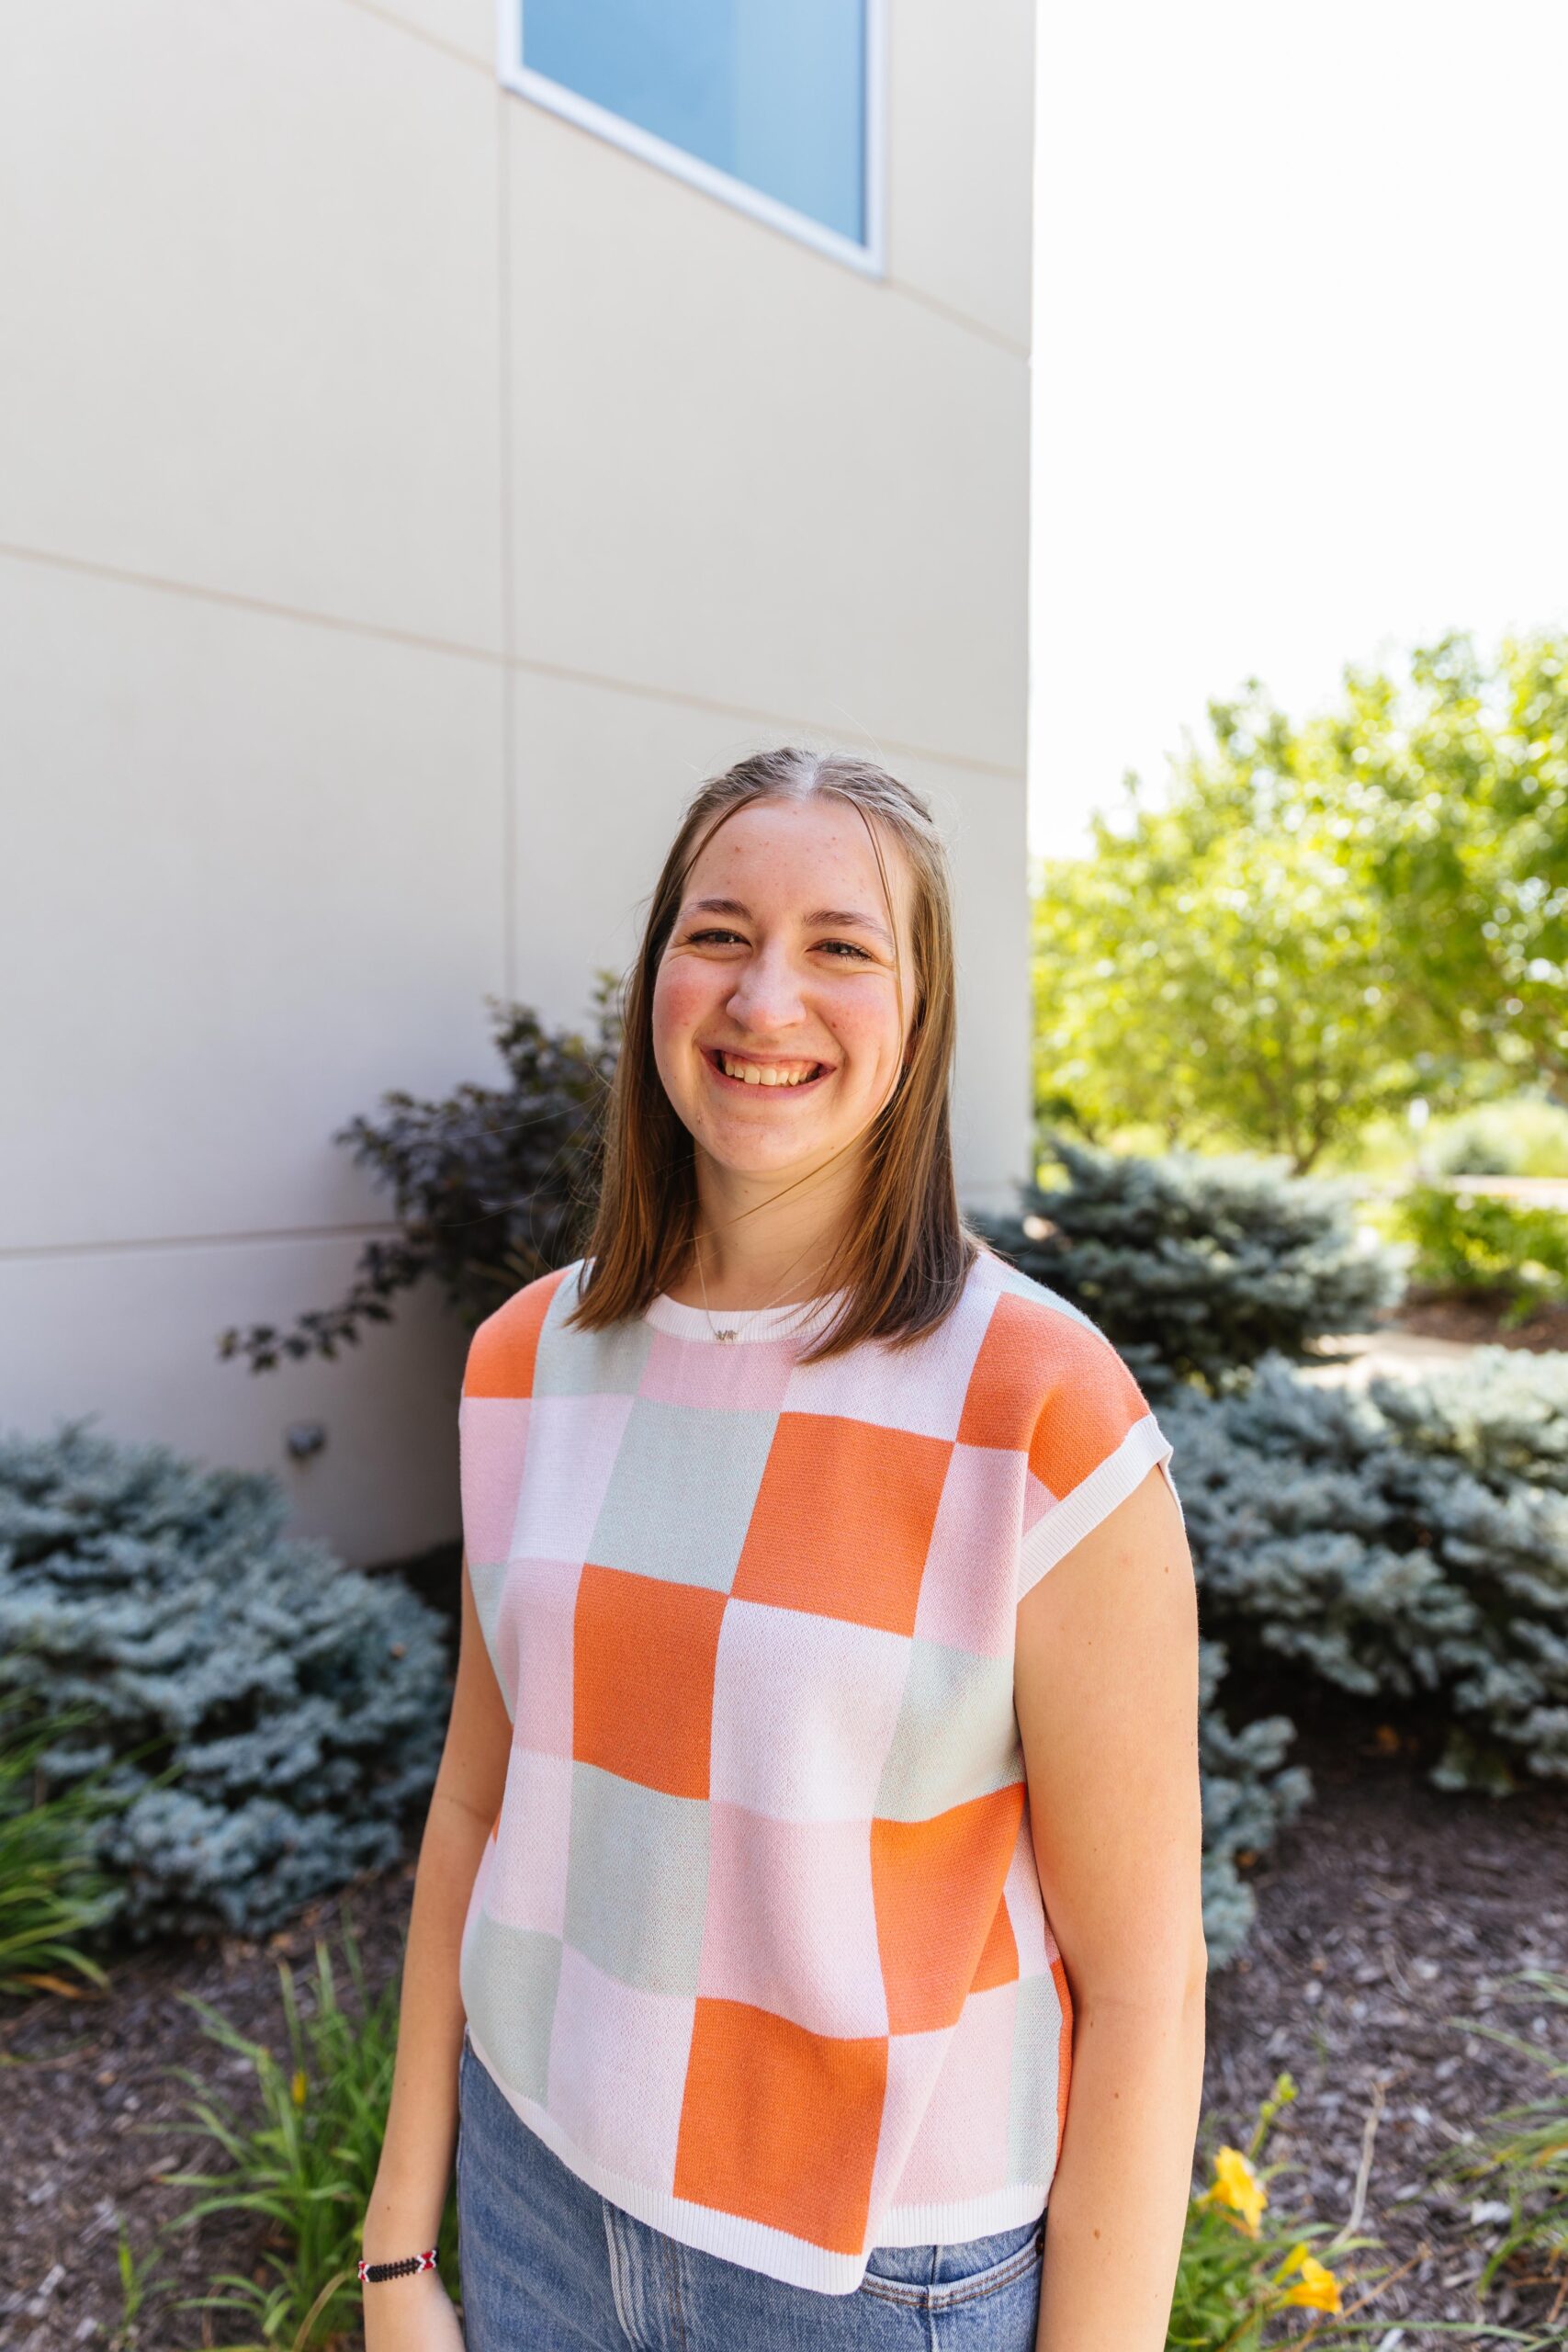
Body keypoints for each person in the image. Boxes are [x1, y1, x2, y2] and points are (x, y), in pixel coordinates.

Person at [361, 748, 1205, 2352]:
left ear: (920, 1013)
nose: (765, 999)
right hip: (533, 2199)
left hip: (878, 2281)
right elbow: (476, 1805)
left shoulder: (1041, 1403)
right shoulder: (526, 1360)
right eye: (719, 934)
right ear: (656, 978)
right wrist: (398, 2250)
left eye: (840, 947)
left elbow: (1147, 1985)